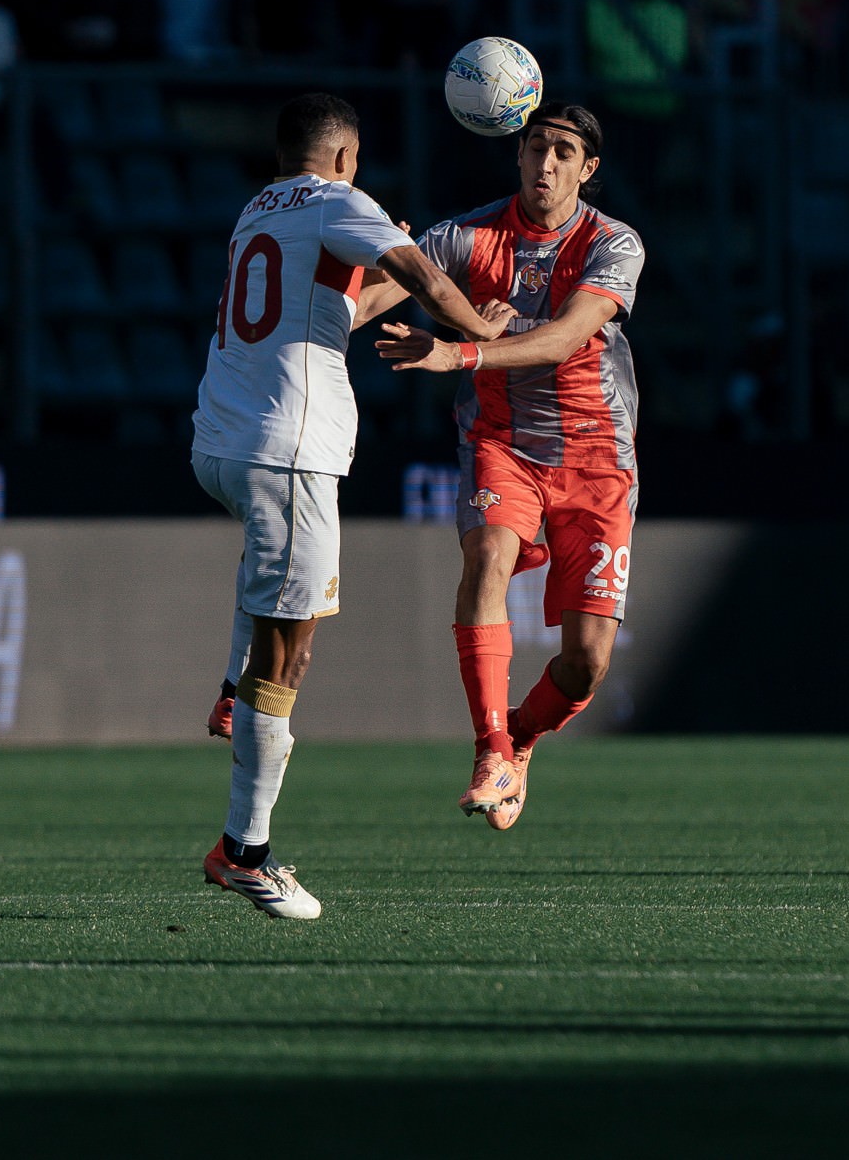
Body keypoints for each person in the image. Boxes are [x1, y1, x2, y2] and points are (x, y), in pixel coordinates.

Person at [191, 92, 513, 917]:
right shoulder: (343, 201)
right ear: (344, 158)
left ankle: (234, 686)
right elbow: (425, 276)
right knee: (291, 655)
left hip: (223, 446)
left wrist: (393, 265)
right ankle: (245, 852)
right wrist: (480, 337)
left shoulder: (260, 209)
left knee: (268, 580)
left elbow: (348, 304)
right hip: (289, 453)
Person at [373, 105, 643, 833]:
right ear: (516, 154)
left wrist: (457, 351)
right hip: (504, 441)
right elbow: (376, 298)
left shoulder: (613, 242)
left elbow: (562, 339)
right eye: (534, 148)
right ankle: (491, 746)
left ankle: (521, 737)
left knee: (585, 664)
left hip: (596, 457)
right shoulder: (466, 235)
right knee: (488, 553)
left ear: (587, 169)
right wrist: (366, 263)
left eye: (563, 152)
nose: (545, 164)